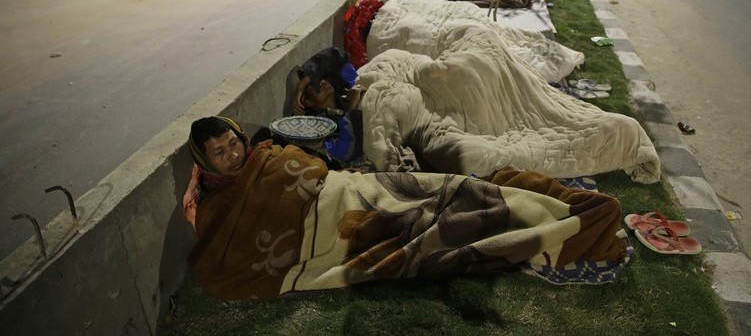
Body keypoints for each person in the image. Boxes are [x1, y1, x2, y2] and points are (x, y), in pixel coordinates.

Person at [183, 115, 630, 300]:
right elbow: (232, 258)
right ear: (205, 162)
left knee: (453, 188)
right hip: (334, 230)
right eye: (220, 153)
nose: (233, 154)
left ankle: (535, 205)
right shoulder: (216, 206)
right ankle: (540, 222)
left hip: (358, 187)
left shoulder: (264, 153)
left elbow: (320, 173)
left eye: (232, 142)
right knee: (433, 226)